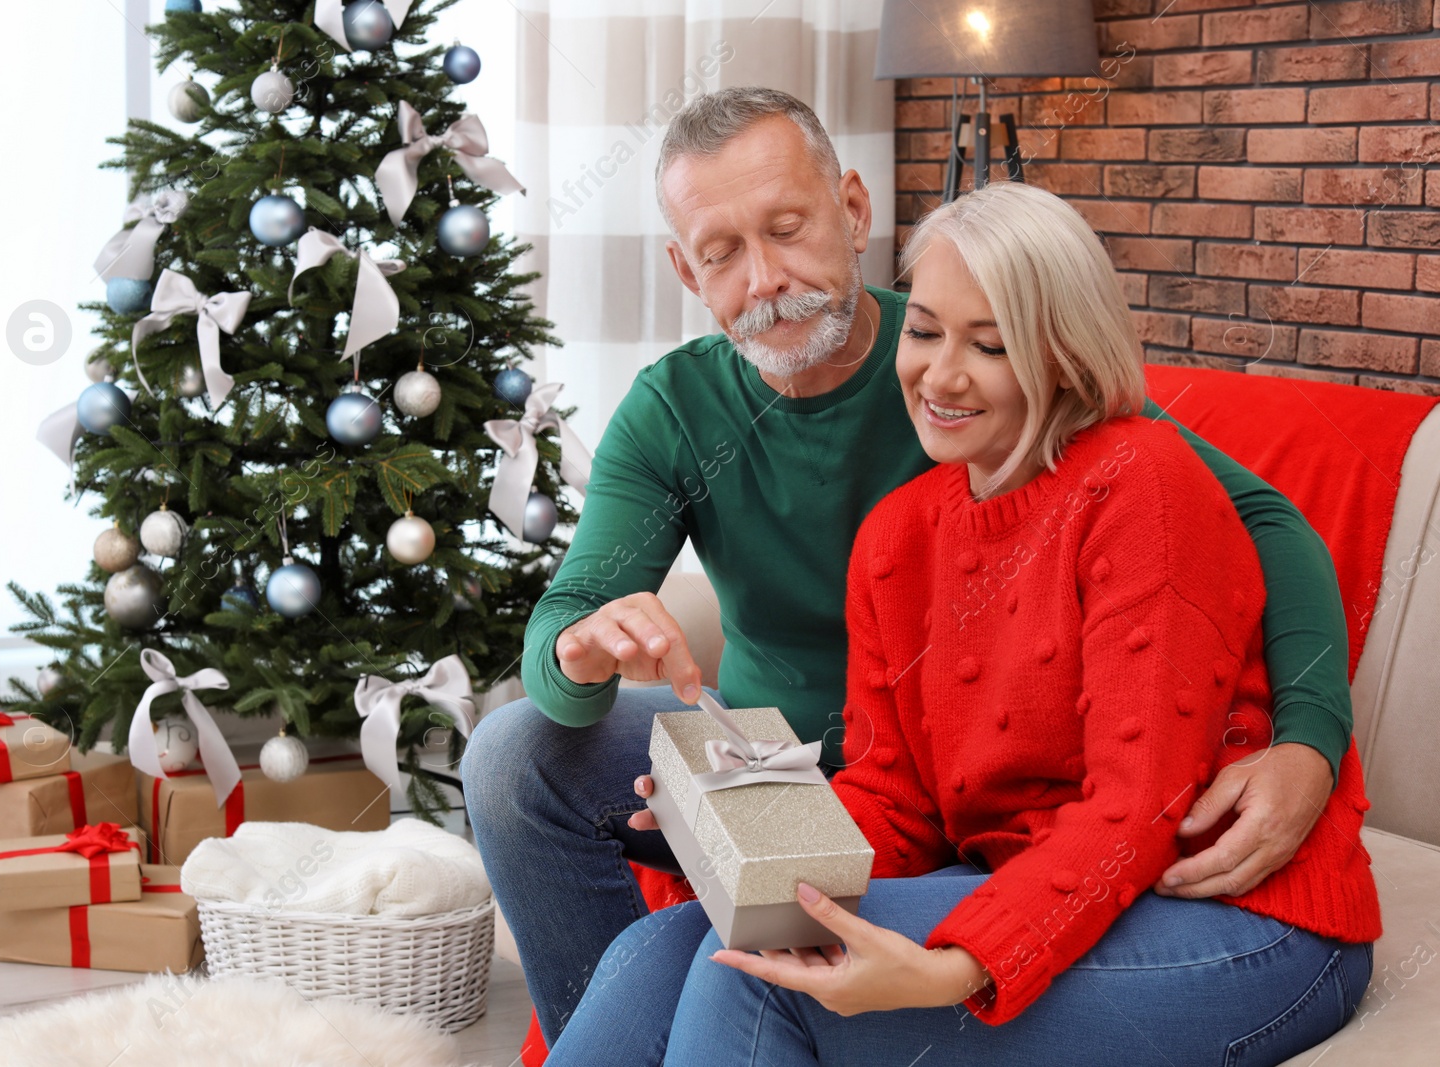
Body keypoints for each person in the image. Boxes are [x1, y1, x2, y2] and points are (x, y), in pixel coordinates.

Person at [460, 87, 1356, 1051]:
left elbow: (1256, 535)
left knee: (755, 983)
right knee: (623, 887)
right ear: (687, 268)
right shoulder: (851, 502)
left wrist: (1311, 741)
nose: (764, 278)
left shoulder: (1124, 468)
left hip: (1105, 853)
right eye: (722, 253)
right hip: (805, 770)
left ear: (853, 211)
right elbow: (570, 622)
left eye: (789, 228)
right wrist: (714, 829)